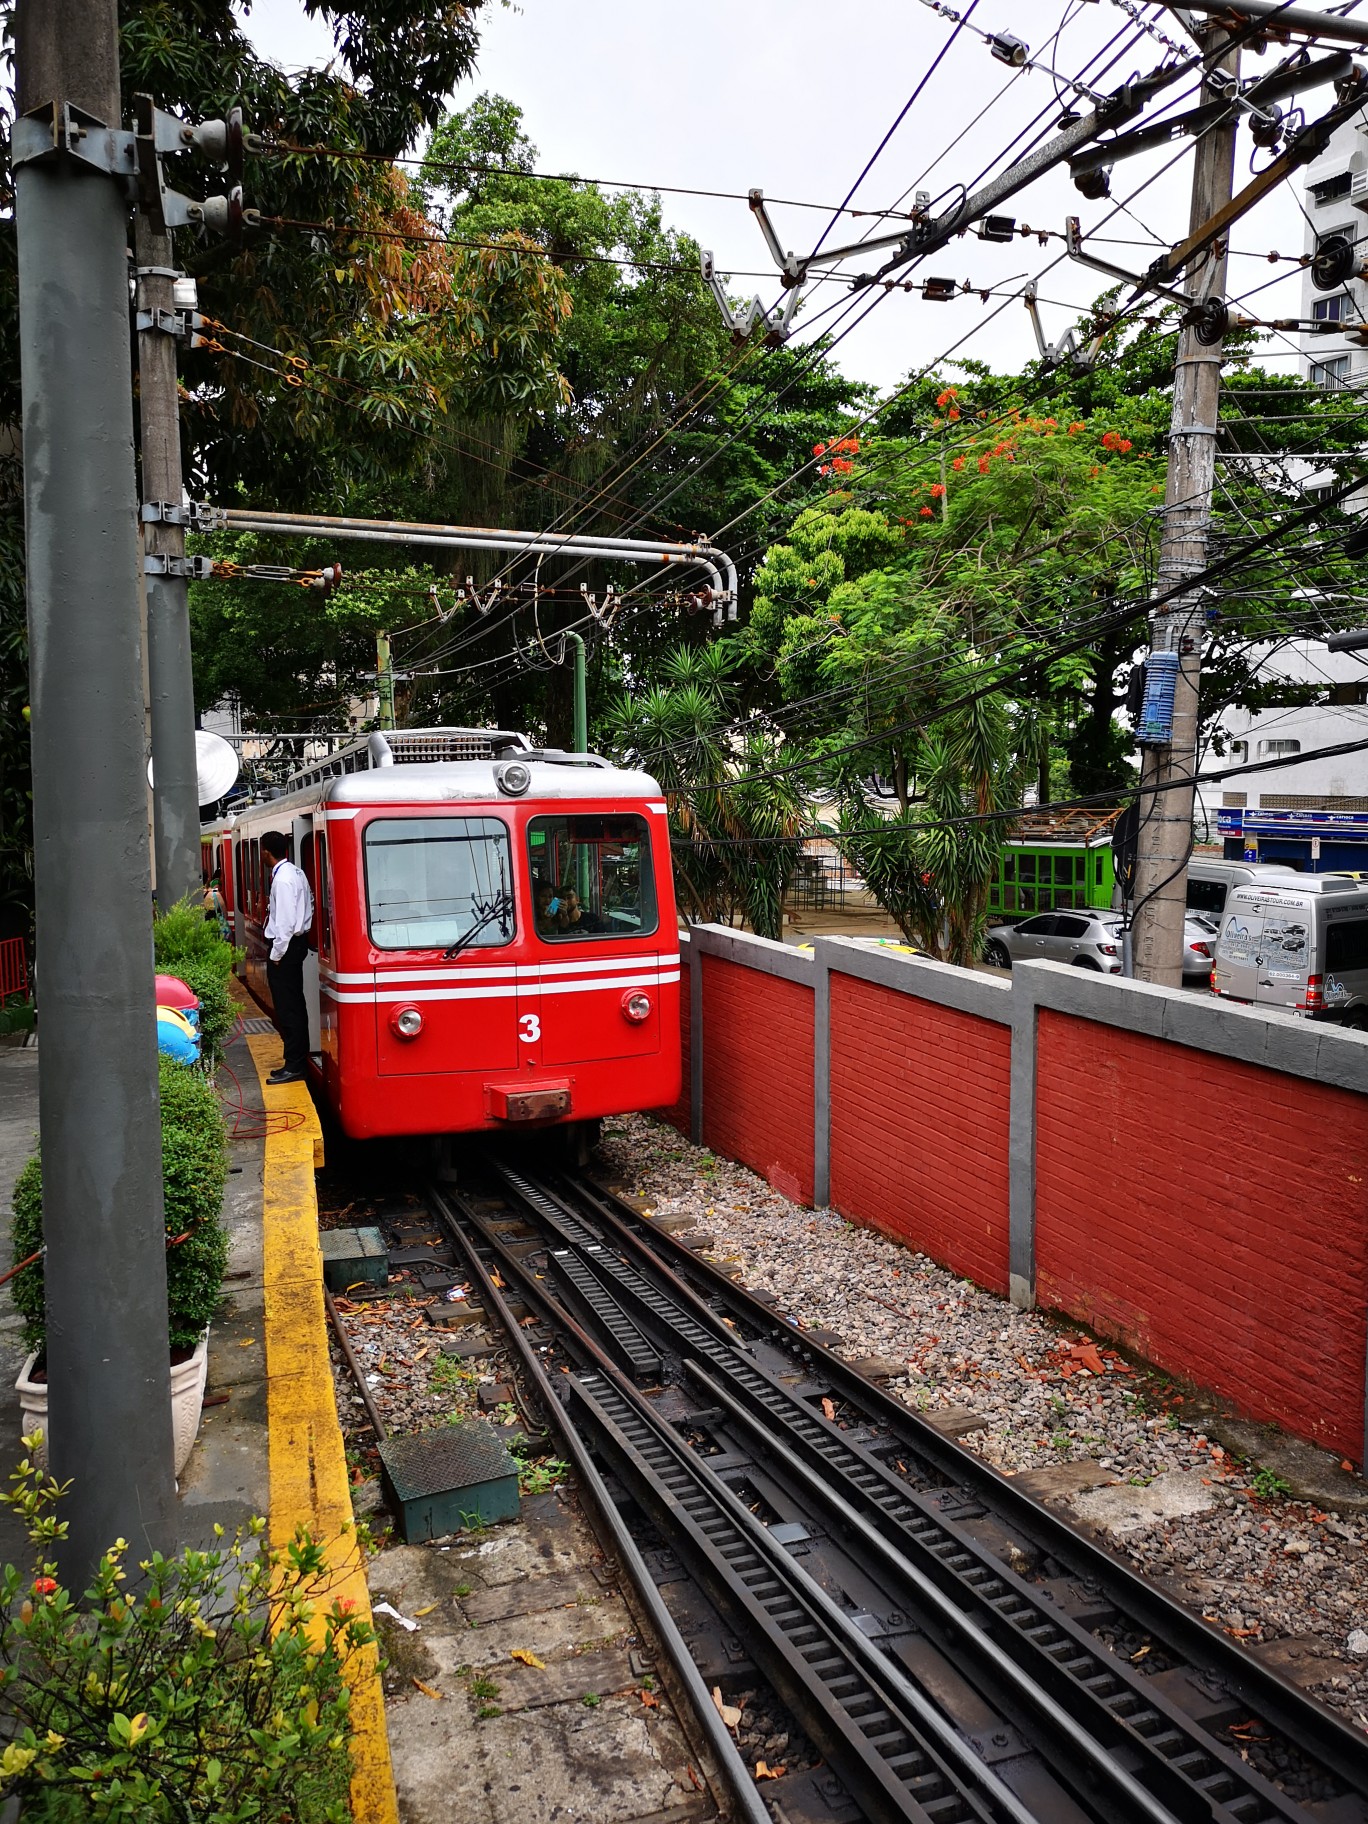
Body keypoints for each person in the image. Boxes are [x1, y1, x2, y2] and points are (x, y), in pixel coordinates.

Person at [260, 830, 314, 1084]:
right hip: (298, 944)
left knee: (287, 1007)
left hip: (286, 948)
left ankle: (294, 1065)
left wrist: (277, 953)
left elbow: (284, 922)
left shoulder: (282, 881)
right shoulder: (297, 873)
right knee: (295, 1005)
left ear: (266, 852)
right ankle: (295, 1059)